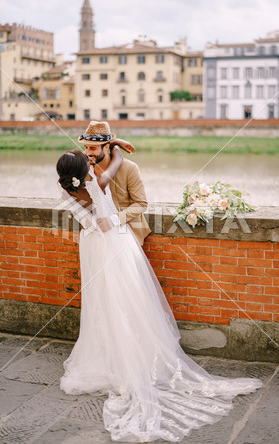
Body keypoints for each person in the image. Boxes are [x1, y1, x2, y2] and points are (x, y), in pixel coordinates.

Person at [56, 136, 263, 442]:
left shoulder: (67, 187)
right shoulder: (98, 183)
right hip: (115, 244)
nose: (89, 156)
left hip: (92, 247)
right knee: (129, 299)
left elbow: (90, 223)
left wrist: (105, 160)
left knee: (104, 302)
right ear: (84, 166)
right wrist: (116, 147)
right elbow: (115, 169)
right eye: (85, 155)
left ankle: (109, 353)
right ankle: (135, 354)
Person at [79, 120, 151, 246]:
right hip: (96, 236)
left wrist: (113, 221)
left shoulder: (129, 168)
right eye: (85, 147)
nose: (88, 152)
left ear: (107, 147)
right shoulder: (83, 169)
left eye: (93, 148)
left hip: (126, 234)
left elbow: (141, 203)